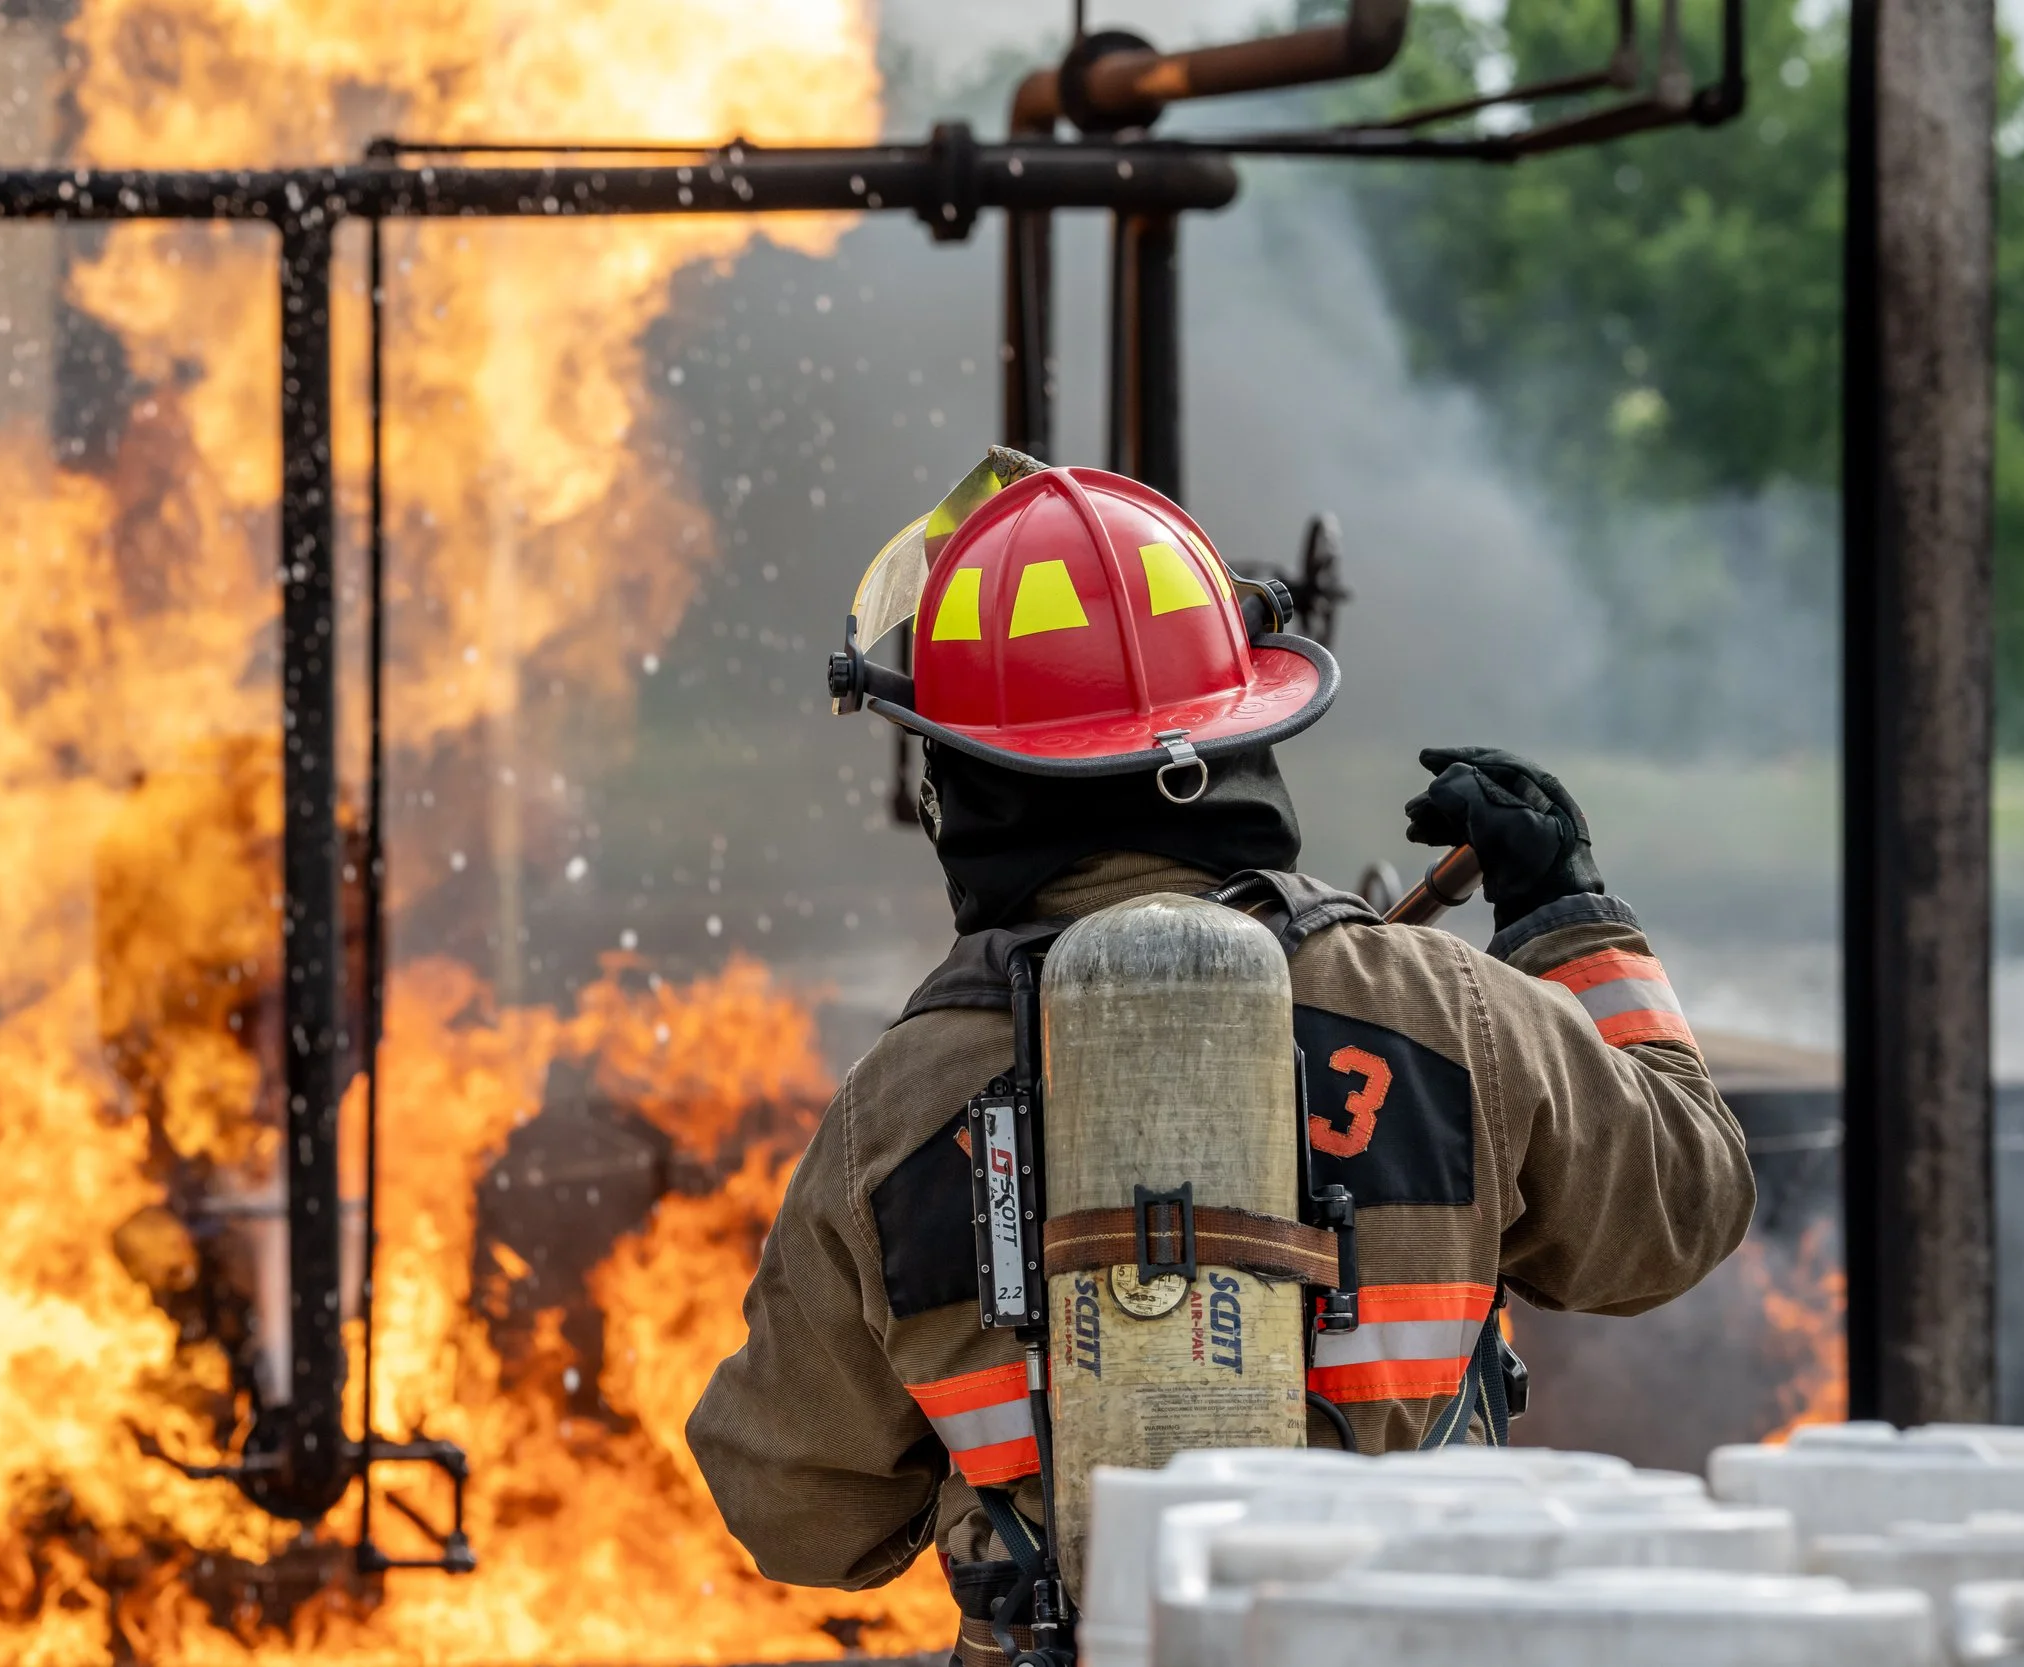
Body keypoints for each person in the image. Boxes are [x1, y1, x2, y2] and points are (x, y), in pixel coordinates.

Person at [684, 454, 1754, 1659]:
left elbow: (792, 1508)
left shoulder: (904, 1107)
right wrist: (1566, 912)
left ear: (960, 781)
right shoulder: (1447, 1007)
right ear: (1244, 722)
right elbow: (1682, 1205)